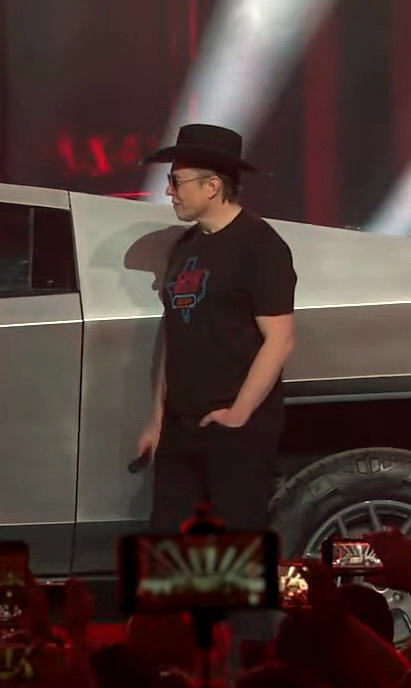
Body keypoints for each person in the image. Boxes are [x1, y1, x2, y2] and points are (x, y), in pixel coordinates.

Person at [136, 124, 297, 535]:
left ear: (212, 186)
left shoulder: (260, 246)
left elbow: (280, 339)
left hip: (234, 429)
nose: (169, 191)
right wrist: (157, 420)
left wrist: (239, 413)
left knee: (234, 551)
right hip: (180, 428)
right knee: (168, 546)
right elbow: (175, 333)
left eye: (176, 181)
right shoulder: (186, 245)